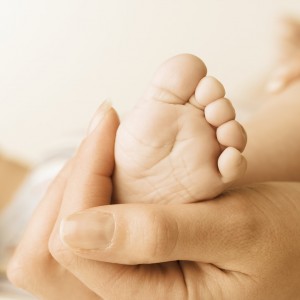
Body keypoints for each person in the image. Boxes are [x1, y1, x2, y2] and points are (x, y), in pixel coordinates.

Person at [6, 25, 300, 299]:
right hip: (52, 186)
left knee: (245, 117)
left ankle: (137, 203)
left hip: (44, 197)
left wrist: (278, 68)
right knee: (276, 115)